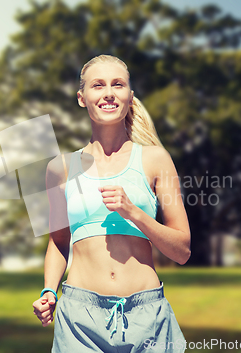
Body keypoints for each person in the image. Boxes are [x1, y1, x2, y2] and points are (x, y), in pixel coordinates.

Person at [32, 54, 191, 353]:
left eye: (118, 85)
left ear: (130, 96)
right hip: (80, 321)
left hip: (149, 320)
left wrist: (135, 213)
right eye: (98, 85)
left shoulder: (155, 159)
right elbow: (58, 241)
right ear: (82, 98)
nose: (108, 93)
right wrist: (49, 290)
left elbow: (182, 250)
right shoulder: (60, 167)